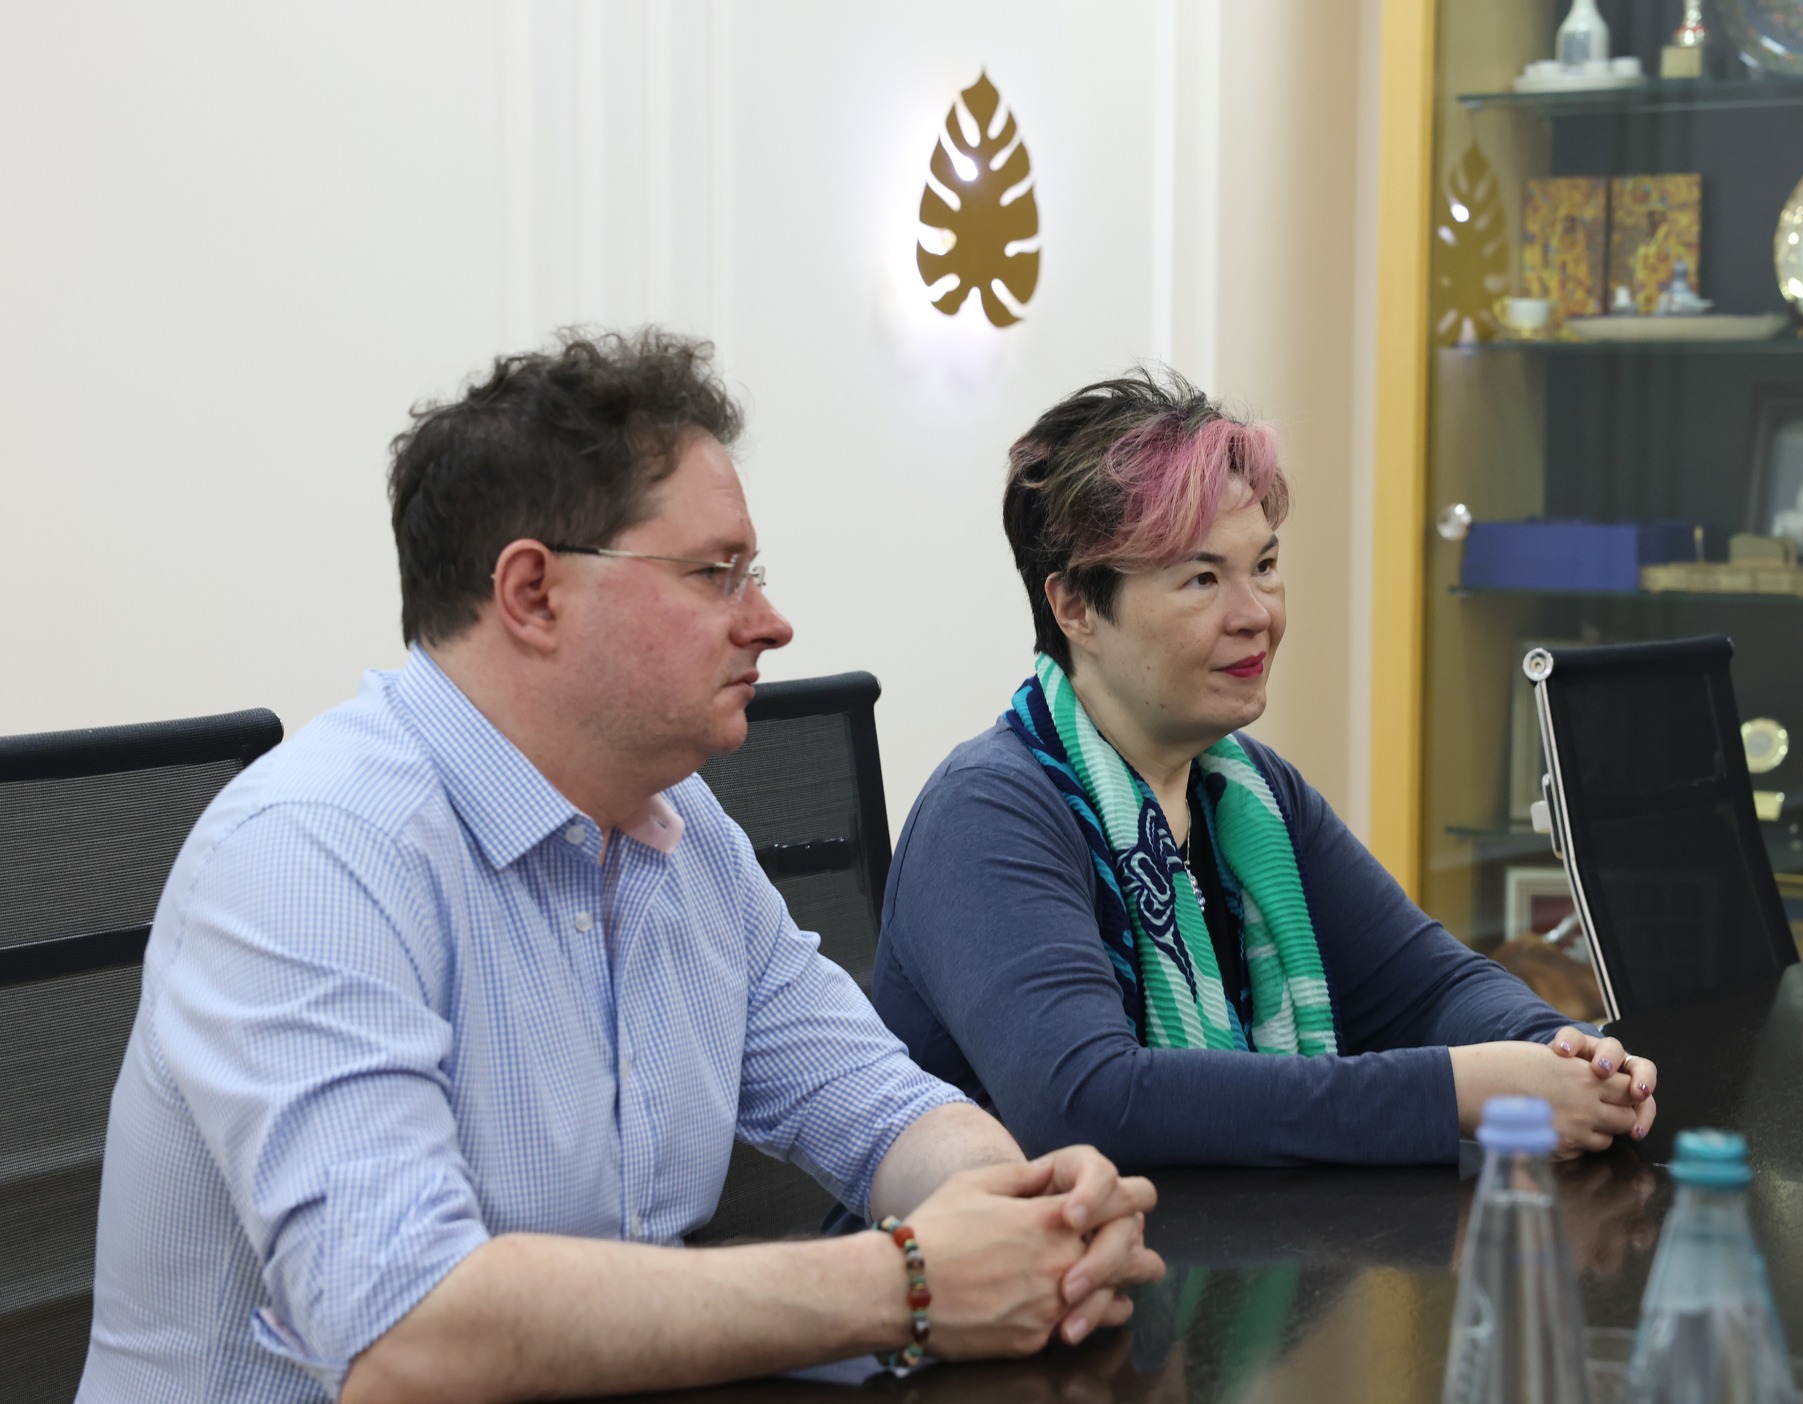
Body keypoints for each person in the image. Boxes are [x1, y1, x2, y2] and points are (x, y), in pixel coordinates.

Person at [79, 332, 1162, 1404]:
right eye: (715, 575)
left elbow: (879, 1108)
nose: (770, 622)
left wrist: (1027, 1216)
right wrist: (908, 1283)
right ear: (533, 594)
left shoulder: (679, 826)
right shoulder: (312, 852)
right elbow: (408, 1334)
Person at [872, 370, 1660, 1168]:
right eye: (1202, 579)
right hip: (1026, 1248)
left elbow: (1426, 988)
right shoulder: (988, 810)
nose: (1256, 615)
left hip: (1234, 1236)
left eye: (1265, 566)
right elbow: (1088, 1103)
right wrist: (1451, 1091)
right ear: (1076, 606)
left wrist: (1564, 1052)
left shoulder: (1248, 790)